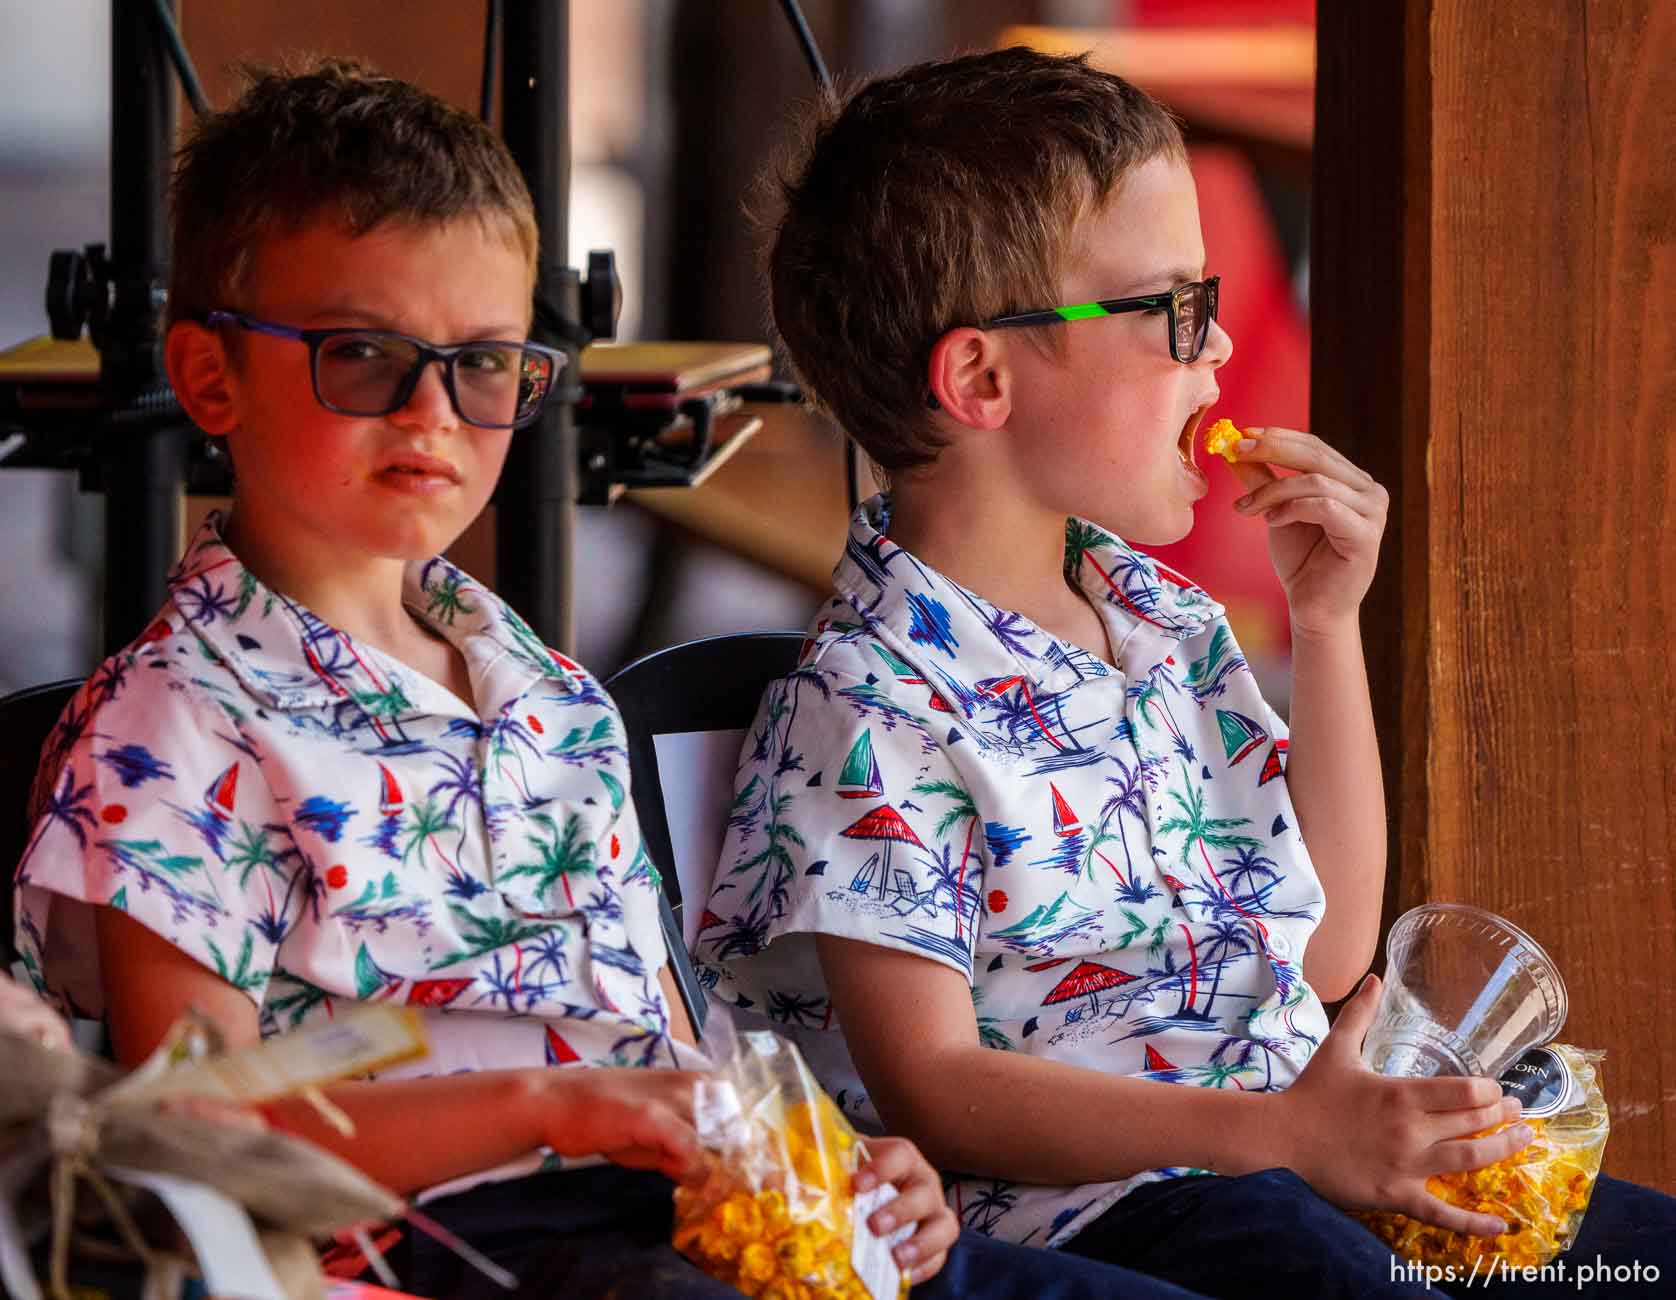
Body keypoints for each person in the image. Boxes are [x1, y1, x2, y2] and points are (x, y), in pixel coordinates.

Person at [11, 57, 1216, 1300]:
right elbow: (189, 1140)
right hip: (427, 1249)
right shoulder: (175, 727)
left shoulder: (550, 700)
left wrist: (847, 1160)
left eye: (483, 366)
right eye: (364, 355)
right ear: (213, 375)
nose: (432, 413)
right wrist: (557, 1104)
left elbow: (683, 1052)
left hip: (698, 1214)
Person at [696, 46, 1676, 1300]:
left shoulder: (1162, 622)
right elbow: (935, 1089)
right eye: (1170, 308)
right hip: (1109, 1217)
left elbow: (1320, 958)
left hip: (1299, 1154)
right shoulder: (871, 701)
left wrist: (1326, 626)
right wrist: (1279, 1137)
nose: (1217, 345)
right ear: (980, 377)